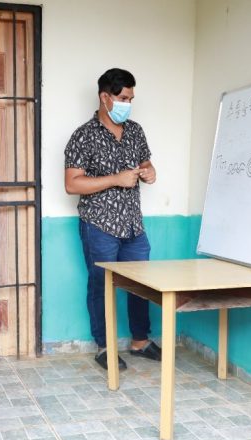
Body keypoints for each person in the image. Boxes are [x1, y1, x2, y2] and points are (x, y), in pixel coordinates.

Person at [64, 68, 162, 370]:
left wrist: (149, 172)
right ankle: (104, 347)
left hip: (133, 225)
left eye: (131, 98)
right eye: (122, 98)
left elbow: (147, 164)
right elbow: (72, 184)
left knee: (140, 284)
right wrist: (115, 179)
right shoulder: (83, 136)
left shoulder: (135, 131)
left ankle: (139, 341)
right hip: (99, 226)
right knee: (100, 285)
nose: (127, 104)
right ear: (104, 97)